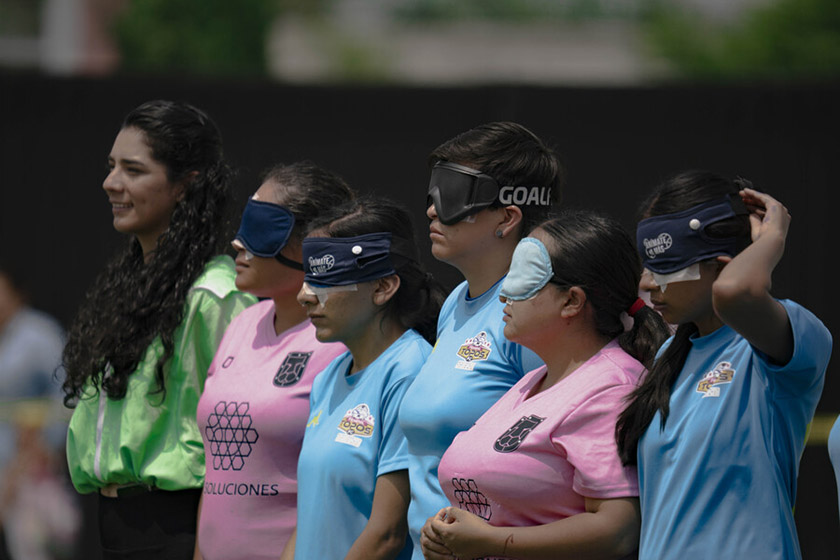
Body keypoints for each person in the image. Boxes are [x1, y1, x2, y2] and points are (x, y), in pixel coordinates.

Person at [61, 100, 256, 558]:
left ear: (185, 186)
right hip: (115, 527)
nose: (111, 182)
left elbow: (241, 440)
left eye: (133, 169)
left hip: (180, 529)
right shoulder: (132, 285)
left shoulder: (216, 295)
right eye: (111, 167)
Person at [420, 210, 671, 559]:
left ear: (572, 301)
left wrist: (493, 543)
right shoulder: (530, 383)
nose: (505, 292)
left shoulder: (611, 387)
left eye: (525, 275)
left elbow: (618, 529)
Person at [615, 170, 832, 559]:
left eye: (665, 268)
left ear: (721, 263)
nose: (648, 284)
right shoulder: (669, 356)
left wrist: (773, 237)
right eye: (647, 266)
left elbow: (734, 293)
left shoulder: (790, 340)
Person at [397, 121, 564, 558]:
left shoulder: (534, 314)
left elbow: (562, 462)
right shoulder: (456, 301)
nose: (432, 210)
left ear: (508, 217)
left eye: (452, 194)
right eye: (433, 193)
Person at [194, 161, 354, 559]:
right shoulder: (242, 323)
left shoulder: (341, 343)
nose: (237, 242)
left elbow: (342, 485)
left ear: (312, 241)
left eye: (261, 226)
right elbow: (214, 475)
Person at [282, 196, 444, 560]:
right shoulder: (328, 377)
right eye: (308, 275)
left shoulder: (410, 371)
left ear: (383, 287)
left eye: (325, 274)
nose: (304, 294)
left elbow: (387, 534)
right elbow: (309, 520)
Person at [0, 264, 79, 560]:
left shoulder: (39, 335)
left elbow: (68, 389)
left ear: (16, 294)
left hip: (30, 476)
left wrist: (47, 444)